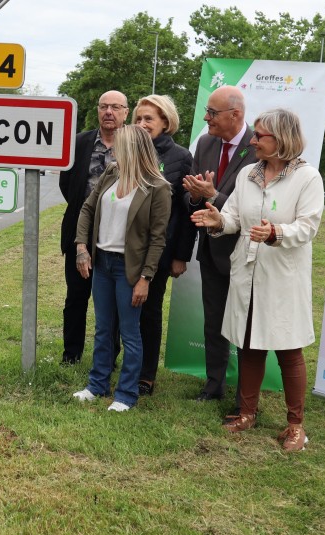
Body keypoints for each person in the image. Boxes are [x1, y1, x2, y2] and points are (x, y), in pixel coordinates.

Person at [191, 108, 323, 452]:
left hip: (282, 276)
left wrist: (276, 232)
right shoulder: (248, 173)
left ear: (281, 139)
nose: (252, 141)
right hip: (247, 272)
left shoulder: (307, 178)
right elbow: (234, 217)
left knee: (288, 349)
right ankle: (247, 413)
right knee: (249, 343)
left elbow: (308, 226)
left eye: (259, 135)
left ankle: (295, 425)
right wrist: (218, 221)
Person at [72, 125, 171, 411]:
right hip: (102, 262)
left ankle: (126, 394)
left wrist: (146, 278)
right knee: (103, 329)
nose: (113, 149)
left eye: (119, 145)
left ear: (133, 149)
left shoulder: (158, 187)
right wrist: (81, 247)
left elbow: (157, 238)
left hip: (129, 268)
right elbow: (88, 209)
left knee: (130, 333)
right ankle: (97, 385)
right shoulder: (112, 173)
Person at [183, 86, 257, 414]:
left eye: (212, 113)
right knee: (213, 322)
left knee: (246, 327)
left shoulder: (259, 148)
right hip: (212, 251)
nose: (206, 118)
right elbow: (193, 199)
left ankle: (246, 396)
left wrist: (213, 195)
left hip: (246, 254)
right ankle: (214, 385)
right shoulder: (205, 143)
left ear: (235, 115)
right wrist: (196, 196)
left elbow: (253, 210)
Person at [58, 90, 129, 364]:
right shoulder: (79, 142)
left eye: (115, 107)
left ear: (126, 112)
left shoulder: (133, 143)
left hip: (117, 235)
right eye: (103, 106)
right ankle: (71, 354)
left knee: (113, 302)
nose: (108, 112)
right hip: (80, 231)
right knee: (76, 296)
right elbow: (67, 184)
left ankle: (109, 356)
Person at [132, 95, 195, 396]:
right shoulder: (127, 150)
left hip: (159, 250)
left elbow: (186, 210)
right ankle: (120, 363)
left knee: (149, 311)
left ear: (166, 122)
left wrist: (181, 255)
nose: (142, 124)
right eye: (138, 118)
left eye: (149, 119)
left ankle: (146, 376)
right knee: (120, 309)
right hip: (123, 248)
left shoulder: (181, 157)